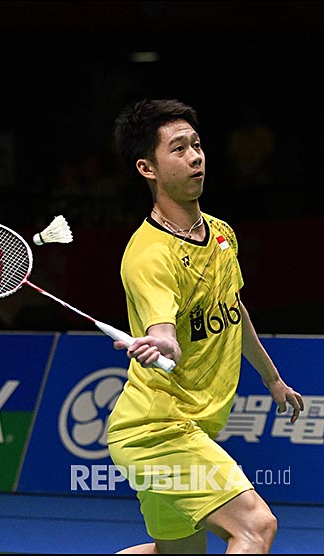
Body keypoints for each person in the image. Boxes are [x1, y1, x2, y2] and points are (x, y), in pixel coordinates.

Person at [107, 98, 304, 554]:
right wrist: (162, 347)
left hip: (190, 425)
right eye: (178, 149)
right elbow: (164, 333)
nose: (195, 156)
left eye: (196, 145)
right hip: (158, 429)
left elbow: (233, 311)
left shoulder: (220, 233)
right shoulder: (148, 255)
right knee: (255, 526)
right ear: (147, 168)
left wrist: (272, 378)